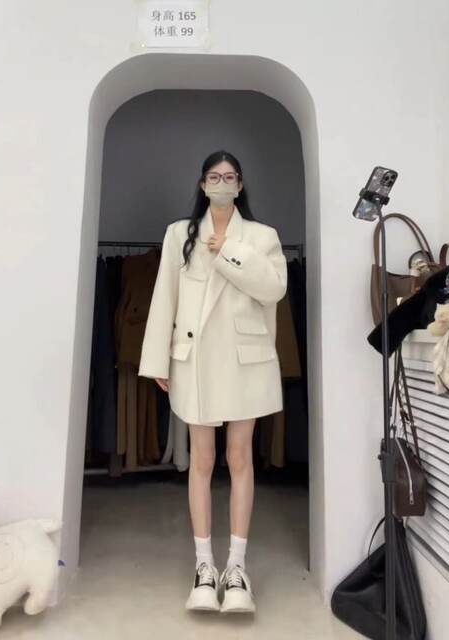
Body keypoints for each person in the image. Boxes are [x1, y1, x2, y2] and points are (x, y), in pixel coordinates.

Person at [138, 150, 287, 613]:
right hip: (196, 358)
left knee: (240, 458)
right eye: (214, 176)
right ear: (202, 185)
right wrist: (157, 358)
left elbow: (274, 289)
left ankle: (236, 568)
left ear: (240, 185)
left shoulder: (262, 237)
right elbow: (164, 296)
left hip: (244, 360)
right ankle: (204, 567)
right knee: (201, 460)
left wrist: (230, 252)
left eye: (230, 176)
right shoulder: (178, 234)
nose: (222, 183)